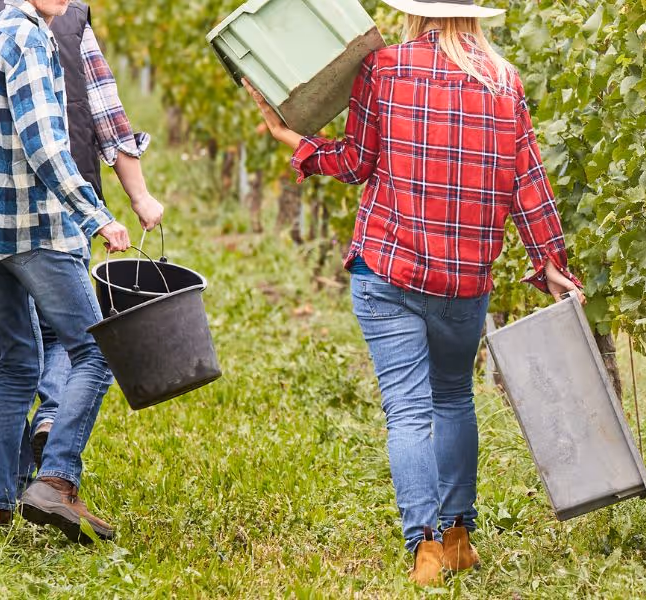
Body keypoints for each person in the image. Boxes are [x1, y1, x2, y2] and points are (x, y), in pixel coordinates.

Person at [246, 0, 584, 585]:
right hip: (465, 281)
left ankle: (424, 550)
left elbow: (356, 162)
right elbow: (528, 179)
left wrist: (294, 139)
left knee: (407, 409)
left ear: (415, 13)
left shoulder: (384, 68)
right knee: (453, 398)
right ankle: (458, 538)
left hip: (390, 269)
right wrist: (548, 261)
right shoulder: (505, 82)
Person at [0, 0, 162, 513]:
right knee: (96, 351)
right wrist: (97, 215)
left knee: (18, 364)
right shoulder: (30, 41)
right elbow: (46, 147)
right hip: (35, 232)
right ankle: (56, 480)